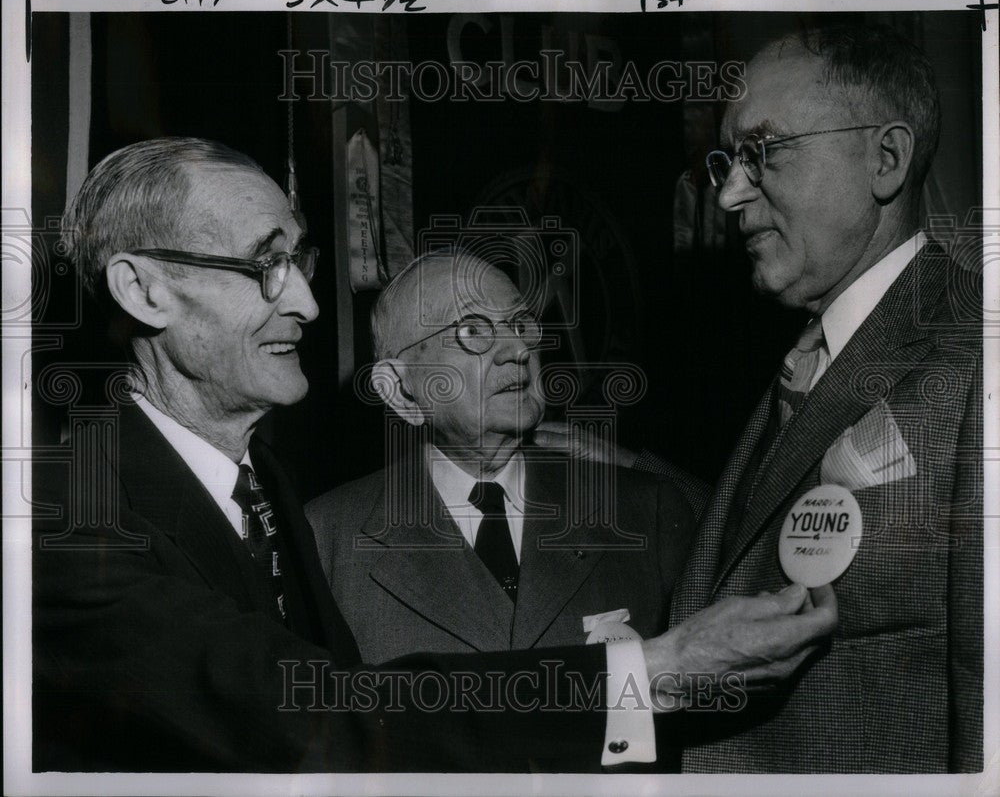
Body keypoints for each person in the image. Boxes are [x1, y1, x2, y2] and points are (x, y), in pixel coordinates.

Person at [32, 136, 838, 773]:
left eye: (301, 260)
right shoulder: (67, 522)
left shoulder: (261, 484)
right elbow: (329, 716)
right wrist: (658, 668)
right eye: (263, 264)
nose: (309, 303)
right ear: (141, 292)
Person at [665, 24, 983, 773]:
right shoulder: (812, 356)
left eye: (763, 153)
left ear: (885, 159)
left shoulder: (976, 351)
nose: (731, 192)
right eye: (727, 160)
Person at [307, 253, 697, 674]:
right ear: (402, 392)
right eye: (473, 330)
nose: (517, 349)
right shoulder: (326, 540)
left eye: (522, 325)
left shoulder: (645, 512)